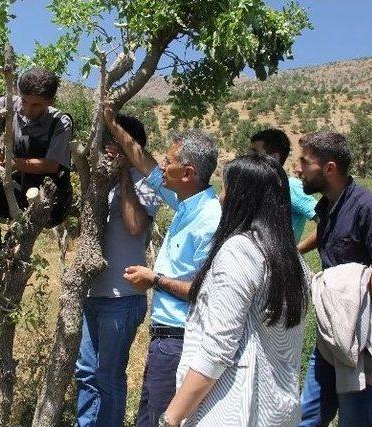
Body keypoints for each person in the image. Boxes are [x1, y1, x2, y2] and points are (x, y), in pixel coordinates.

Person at [160, 154, 309, 427]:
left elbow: (217, 349)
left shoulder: (241, 251)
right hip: (277, 409)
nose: (220, 198)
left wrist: (170, 418)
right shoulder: (295, 261)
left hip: (231, 409)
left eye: (226, 189)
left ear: (243, 196)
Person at [103, 103, 221, 427]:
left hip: (179, 340)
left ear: (188, 174)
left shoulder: (209, 220)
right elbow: (144, 161)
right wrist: (113, 125)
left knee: (163, 420)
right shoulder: (184, 203)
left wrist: (153, 279)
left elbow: (202, 291)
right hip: (164, 339)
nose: (162, 166)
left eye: (169, 162)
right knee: (148, 418)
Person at [295, 131, 372, 427]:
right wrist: (296, 251)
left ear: (329, 168)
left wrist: (335, 286)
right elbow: (327, 232)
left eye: (305, 163)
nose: (297, 169)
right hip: (330, 331)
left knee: (355, 420)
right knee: (307, 416)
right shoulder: (328, 206)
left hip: (364, 333)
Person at [74, 114, 161, 427]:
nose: (108, 150)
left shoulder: (146, 184)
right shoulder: (98, 182)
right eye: (106, 144)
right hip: (92, 293)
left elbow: (136, 225)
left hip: (122, 297)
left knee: (108, 376)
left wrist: (124, 174)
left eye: (116, 144)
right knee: (85, 373)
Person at [0, 67, 72, 225]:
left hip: (51, 198)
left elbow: (52, 165)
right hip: (21, 186)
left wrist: (8, 162)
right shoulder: (12, 104)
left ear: (51, 101)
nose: (28, 110)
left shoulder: (61, 122)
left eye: (36, 105)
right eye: (24, 101)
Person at [248, 128, 318, 242]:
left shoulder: (290, 187)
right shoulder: (256, 188)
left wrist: (298, 250)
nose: (248, 157)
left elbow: (325, 221)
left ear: (274, 158)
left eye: (255, 153)